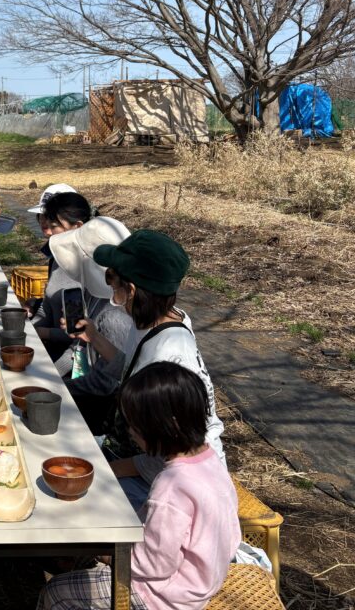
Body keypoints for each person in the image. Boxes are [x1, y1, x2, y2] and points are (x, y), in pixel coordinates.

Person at [38, 362, 240, 610]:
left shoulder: (173, 485)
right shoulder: (209, 460)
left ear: (168, 426)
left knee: (57, 593)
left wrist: (107, 553)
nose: (131, 432)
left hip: (163, 596)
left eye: (136, 425)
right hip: (200, 582)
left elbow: (153, 565)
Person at [82, 230, 225, 510]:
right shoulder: (154, 320)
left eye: (113, 283)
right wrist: (94, 338)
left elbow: (169, 456)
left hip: (176, 483)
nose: (112, 293)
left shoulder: (169, 355)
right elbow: (131, 369)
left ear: (132, 290)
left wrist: (105, 470)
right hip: (146, 453)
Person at [48, 216, 134, 432]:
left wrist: (57, 389)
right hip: (85, 387)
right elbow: (79, 350)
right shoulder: (95, 294)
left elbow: (106, 383)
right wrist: (52, 377)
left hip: (99, 409)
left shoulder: (115, 315)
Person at [26, 187, 85, 360]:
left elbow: (78, 336)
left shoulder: (83, 269)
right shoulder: (57, 257)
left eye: (54, 223)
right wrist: (29, 330)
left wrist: (42, 333)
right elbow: (47, 308)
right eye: (42, 216)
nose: (46, 226)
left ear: (77, 225)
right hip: (52, 349)